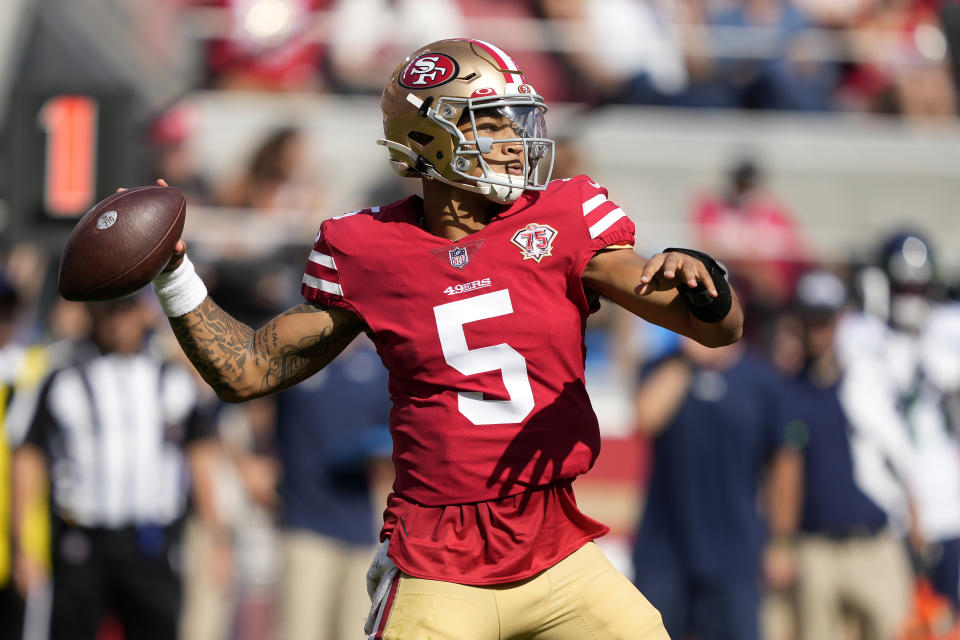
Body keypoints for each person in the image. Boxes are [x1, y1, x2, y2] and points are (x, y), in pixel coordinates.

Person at [147, 38, 743, 639]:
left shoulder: (561, 218)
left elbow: (715, 330)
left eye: (517, 121)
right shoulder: (369, 250)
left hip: (556, 552)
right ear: (431, 136)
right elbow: (247, 369)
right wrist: (173, 275)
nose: (515, 141)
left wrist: (704, 285)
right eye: (492, 122)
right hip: (438, 563)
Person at [10, 295, 223, 640]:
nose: (115, 321)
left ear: (143, 311)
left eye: (125, 309)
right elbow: (29, 455)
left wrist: (217, 534)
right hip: (82, 541)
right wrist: (21, 542)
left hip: (150, 542)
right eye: (107, 309)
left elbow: (200, 451)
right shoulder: (62, 371)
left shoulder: (171, 375)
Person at [776, 269, 913, 640]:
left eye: (825, 320)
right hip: (815, 546)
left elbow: (901, 453)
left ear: (839, 321)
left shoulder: (869, 382)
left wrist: (916, 521)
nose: (818, 330)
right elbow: (780, 473)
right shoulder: (786, 392)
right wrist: (782, 543)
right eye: (810, 320)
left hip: (876, 540)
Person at [630, 335, 795, 640]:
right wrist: (688, 359)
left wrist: (781, 542)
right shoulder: (664, 367)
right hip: (664, 553)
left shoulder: (762, 381)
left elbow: (785, 466)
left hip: (736, 556)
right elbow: (646, 418)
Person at [837, 232, 960, 615]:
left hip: (949, 503)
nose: (911, 297)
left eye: (918, 286)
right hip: (894, 511)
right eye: (901, 286)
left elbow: (947, 373)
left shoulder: (945, 328)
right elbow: (873, 415)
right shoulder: (862, 335)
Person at [273, 336, 392, 640]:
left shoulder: (375, 367)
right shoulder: (296, 357)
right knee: (301, 630)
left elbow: (393, 439)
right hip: (304, 524)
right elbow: (257, 417)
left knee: (356, 632)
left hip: (361, 527)